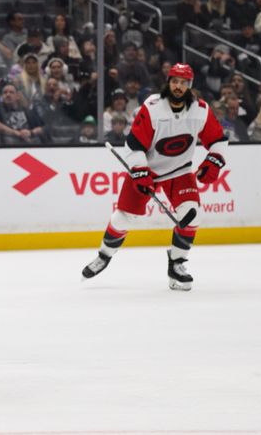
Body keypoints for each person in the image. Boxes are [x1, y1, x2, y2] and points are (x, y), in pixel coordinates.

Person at [82, 63, 228, 291]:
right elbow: (134, 144)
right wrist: (140, 171)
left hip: (179, 171)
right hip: (147, 170)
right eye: (175, 81)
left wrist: (214, 160)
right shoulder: (152, 107)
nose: (178, 86)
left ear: (190, 86)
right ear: (168, 82)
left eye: (183, 83)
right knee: (123, 219)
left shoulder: (201, 110)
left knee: (192, 215)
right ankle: (104, 255)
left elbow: (218, 140)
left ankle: (177, 265)